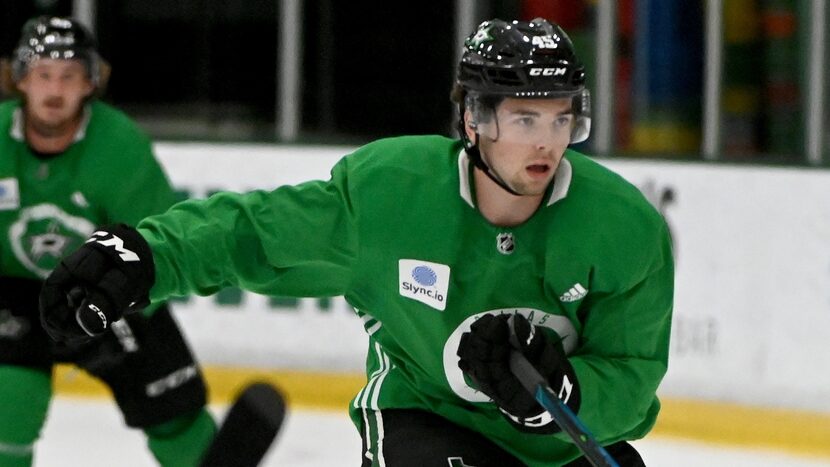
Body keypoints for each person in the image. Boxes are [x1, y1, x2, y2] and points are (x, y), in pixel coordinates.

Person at [38, 18, 674, 467]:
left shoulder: (623, 226)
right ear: (474, 119)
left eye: (562, 117)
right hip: (427, 419)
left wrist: (565, 398)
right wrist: (149, 256)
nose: (547, 141)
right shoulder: (391, 195)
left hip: (565, 445)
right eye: (525, 118)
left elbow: (633, 375)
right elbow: (255, 232)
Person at [0, 16, 216, 467]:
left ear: (90, 83)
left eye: (69, 76)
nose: (55, 90)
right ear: (20, 79)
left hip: (112, 296)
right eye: (43, 75)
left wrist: (126, 303)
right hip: (12, 294)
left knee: (173, 413)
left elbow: (159, 242)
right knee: (8, 404)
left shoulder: (120, 145)